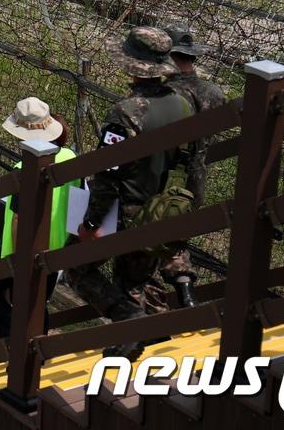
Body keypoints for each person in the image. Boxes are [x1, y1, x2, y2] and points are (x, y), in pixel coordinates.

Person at [69, 26, 202, 361]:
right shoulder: (184, 105)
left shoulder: (126, 112)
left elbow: (109, 173)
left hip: (129, 210)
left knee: (77, 266)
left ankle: (127, 320)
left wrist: (91, 222)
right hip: (169, 205)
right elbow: (193, 160)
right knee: (139, 275)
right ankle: (152, 336)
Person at [0, 99, 80, 339]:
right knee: (37, 299)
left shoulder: (25, 166)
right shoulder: (71, 158)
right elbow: (78, 202)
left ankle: (19, 339)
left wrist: (20, 256)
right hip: (58, 245)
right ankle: (36, 351)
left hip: (22, 246)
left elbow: (19, 218)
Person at [161, 23, 228, 306]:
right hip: (196, 178)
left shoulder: (165, 95)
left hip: (164, 175)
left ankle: (158, 304)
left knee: (150, 234)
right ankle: (185, 291)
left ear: (172, 57)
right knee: (176, 234)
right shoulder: (213, 92)